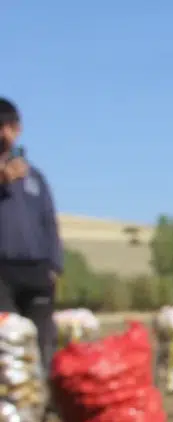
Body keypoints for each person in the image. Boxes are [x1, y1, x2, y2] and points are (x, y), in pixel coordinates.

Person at [0, 98, 62, 383]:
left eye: (10, 126)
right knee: (8, 340)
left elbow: (49, 222)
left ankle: (41, 401)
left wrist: (54, 266)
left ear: (19, 129)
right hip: (2, 272)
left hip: (36, 270)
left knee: (42, 339)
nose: (5, 133)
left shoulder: (35, 177)